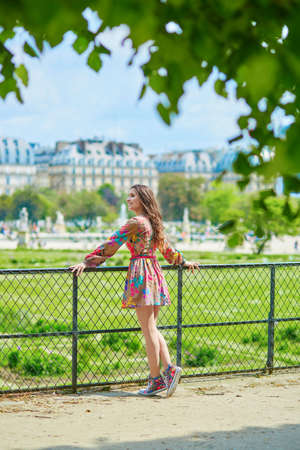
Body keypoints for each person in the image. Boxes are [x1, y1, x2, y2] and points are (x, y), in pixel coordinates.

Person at [70, 184, 199, 397]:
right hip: (154, 272)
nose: (128, 199)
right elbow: (167, 249)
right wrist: (182, 261)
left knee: (148, 331)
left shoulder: (136, 223)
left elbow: (112, 244)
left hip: (141, 273)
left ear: (142, 200)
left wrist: (87, 261)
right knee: (152, 328)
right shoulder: (152, 222)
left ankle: (157, 378)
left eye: (132, 196)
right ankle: (167, 370)